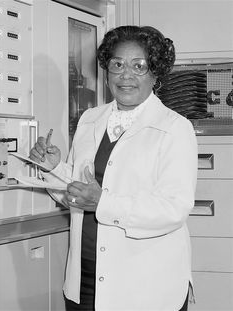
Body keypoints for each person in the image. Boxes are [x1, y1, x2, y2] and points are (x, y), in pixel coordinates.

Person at [29, 25, 198, 311]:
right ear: (107, 70)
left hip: (145, 287)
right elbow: (77, 192)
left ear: (155, 73)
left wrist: (103, 203)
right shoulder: (89, 119)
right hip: (85, 282)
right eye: (117, 64)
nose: (126, 75)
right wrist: (52, 169)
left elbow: (173, 209)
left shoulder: (175, 128)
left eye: (139, 66)